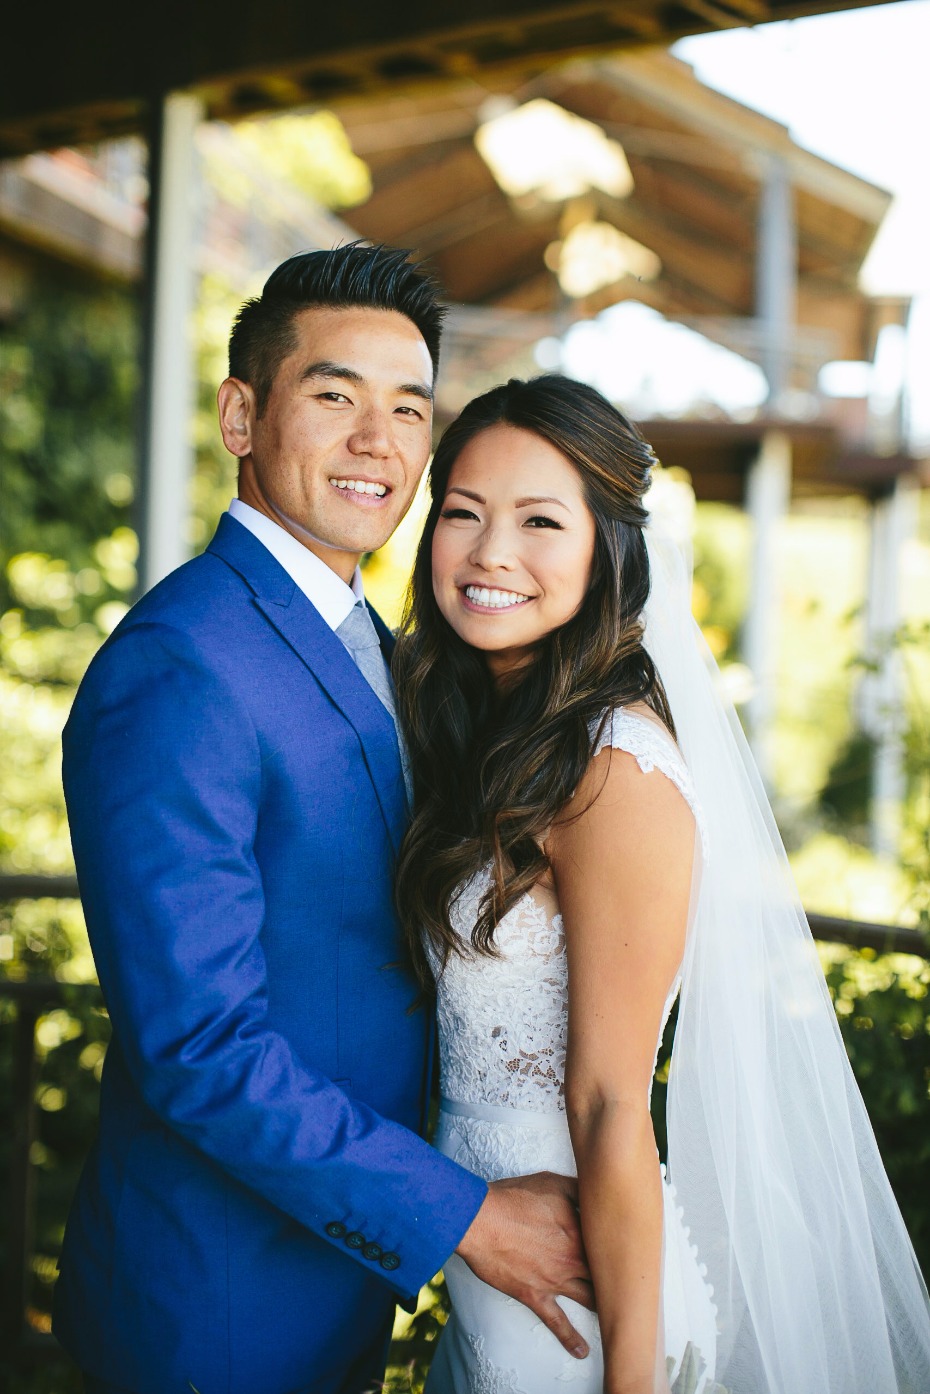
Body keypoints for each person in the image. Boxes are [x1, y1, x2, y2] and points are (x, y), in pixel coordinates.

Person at [53, 246, 593, 1394]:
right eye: (335, 395)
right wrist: (468, 1217)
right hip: (216, 1308)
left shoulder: (389, 651)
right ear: (241, 414)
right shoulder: (181, 665)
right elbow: (198, 1044)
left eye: (409, 408)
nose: (378, 441)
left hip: (335, 1278)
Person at [392, 374, 930, 1394]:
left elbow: (608, 1104)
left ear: (609, 550)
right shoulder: (488, 730)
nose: (489, 550)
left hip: (571, 1302)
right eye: (462, 511)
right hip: (491, 1258)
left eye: (540, 520)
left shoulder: (613, 769)